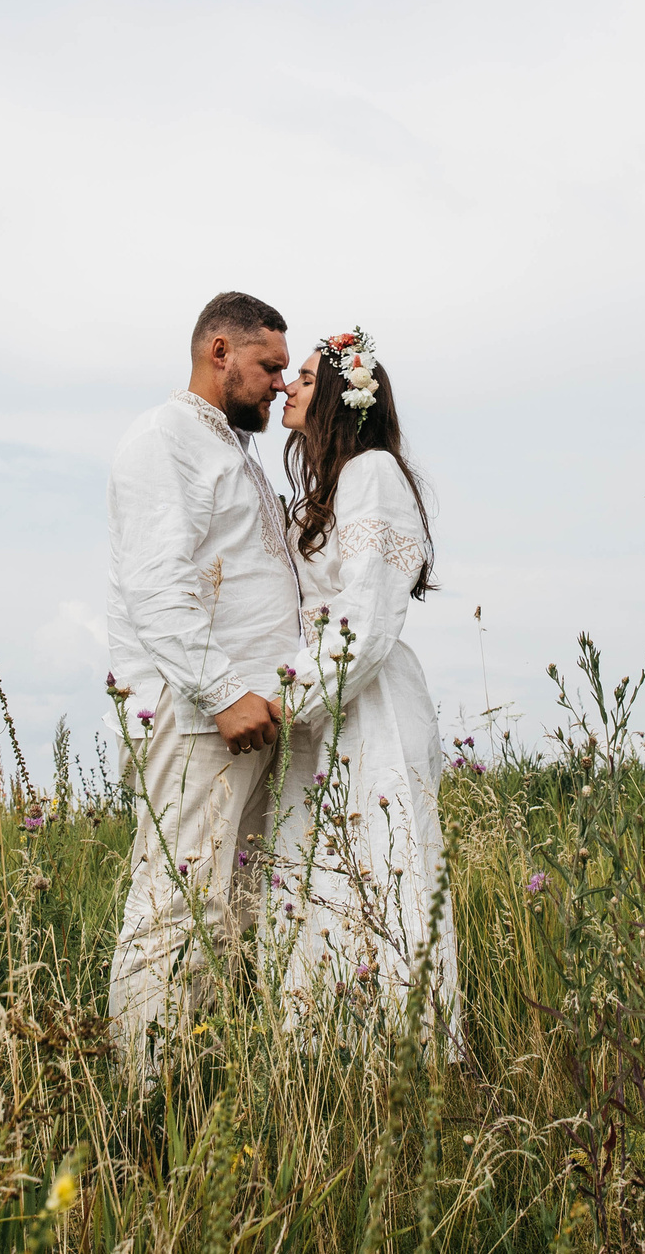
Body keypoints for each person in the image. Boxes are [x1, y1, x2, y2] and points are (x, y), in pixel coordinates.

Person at [104, 290, 302, 1065]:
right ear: (220, 350)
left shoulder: (230, 450)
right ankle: (139, 1103)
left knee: (230, 915)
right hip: (197, 718)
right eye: (268, 366)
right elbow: (157, 583)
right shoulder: (164, 440)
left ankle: (199, 1080)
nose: (281, 385)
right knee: (172, 911)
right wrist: (222, 691)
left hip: (247, 719)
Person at [264, 327, 459, 1046]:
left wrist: (291, 699)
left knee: (378, 871)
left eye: (306, 378)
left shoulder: (371, 471)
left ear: (344, 403)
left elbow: (368, 615)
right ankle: (326, 1061)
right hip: (326, 703)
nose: (288, 384)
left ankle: (397, 1063)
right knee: (320, 880)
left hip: (364, 700)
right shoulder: (327, 486)